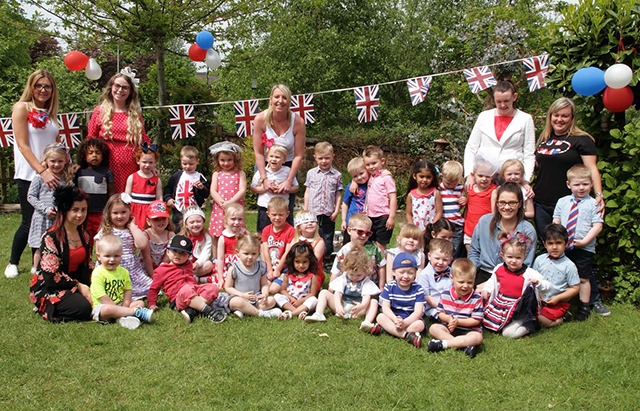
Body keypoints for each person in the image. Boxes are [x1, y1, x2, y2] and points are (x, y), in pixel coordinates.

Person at [533, 97, 609, 317]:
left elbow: (592, 169)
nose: (560, 119)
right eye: (556, 115)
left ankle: (591, 299)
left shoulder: (582, 140)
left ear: (572, 117)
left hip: (569, 207)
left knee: (577, 254)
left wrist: (599, 194)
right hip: (543, 205)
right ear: (550, 116)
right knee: (552, 252)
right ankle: (553, 296)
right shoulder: (544, 139)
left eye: (565, 115)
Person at [7, 69, 60, 279]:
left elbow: (55, 146)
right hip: (31, 174)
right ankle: (13, 261)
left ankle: (36, 262)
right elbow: (22, 144)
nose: (43, 90)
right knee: (29, 221)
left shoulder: (51, 113)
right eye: (38, 85)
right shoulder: (21, 108)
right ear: (31, 86)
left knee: (47, 219)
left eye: (47, 86)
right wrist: (42, 171)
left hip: (51, 173)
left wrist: (66, 164)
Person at [30, 186, 92, 322]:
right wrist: (78, 286)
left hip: (77, 281)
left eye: (84, 210)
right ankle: (45, 307)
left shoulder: (85, 235)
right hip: (52, 286)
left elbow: (88, 264)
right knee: (83, 308)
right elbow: (51, 275)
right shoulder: (50, 237)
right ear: (64, 211)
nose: (80, 215)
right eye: (75, 210)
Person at [463, 79, 535, 191]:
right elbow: (471, 147)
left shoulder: (525, 119)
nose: (502, 105)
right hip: (484, 176)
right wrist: (469, 175)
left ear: (514, 97)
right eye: (498, 101)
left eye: (506, 101)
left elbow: (529, 153)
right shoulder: (484, 116)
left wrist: (525, 180)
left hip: (511, 178)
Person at [553, 165, 603, 321]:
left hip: (584, 247)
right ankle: (559, 303)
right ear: (569, 185)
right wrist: (559, 240)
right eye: (577, 184)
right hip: (564, 246)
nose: (581, 188)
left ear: (591, 185)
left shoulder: (594, 203)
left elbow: (598, 226)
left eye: (585, 184)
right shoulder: (562, 202)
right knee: (561, 274)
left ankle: (584, 307)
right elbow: (556, 221)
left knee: (583, 277)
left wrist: (585, 241)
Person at [87, 72, 150, 193]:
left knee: (129, 200)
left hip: (131, 164)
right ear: (111, 87)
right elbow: (91, 139)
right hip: (107, 163)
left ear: (130, 91)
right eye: (117, 86)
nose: (120, 90)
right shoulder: (99, 111)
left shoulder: (135, 113)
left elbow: (144, 140)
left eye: (125, 87)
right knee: (110, 200)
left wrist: (150, 163)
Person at [252, 84, 306, 220]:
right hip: (266, 165)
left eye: (284, 98)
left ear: (289, 101)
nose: (280, 101)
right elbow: (258, 152)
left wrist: (288, 181)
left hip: (288, 166)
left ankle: (287, 239)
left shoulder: (298, 121)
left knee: (285, 209)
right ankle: (263, 236)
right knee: (265, 209)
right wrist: (264, 179)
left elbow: (299, 155)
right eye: (277, 97)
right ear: (271, 99)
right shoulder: (260, 119)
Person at [481, 233, 550, 339]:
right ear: (502, 255)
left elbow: (547, 286)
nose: (513, 261)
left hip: (520, 307)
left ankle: (530, 324)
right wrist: (486, 290)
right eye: (509, 257)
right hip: (501, 303)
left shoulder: (529, 273)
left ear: (524, 257)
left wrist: (538, 283)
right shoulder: (499, 268)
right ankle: (506, 324)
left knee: (508, 334)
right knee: (484, 322)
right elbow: (491, 282)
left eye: (518, 257)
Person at [468, 182, 537, 287]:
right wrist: (470, 275)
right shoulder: (484, 222)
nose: (507, 207)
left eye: (512, 203)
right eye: (502, 202)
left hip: (514, 278)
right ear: (497, 203)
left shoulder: (527, 231)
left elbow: (525, 264)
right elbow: (474, 252)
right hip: (485, 273)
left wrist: (492, 284)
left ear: (519, 204)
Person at [147, 235, 226, 323]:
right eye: (175, 251)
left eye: (182, 253)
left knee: (213, 288)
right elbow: (154, 289)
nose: (178, 255)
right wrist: (152, 303)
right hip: (178, 298)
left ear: (188, 256)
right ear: (168, 252)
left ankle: (193, 310)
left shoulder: (188, 264)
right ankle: (208, 311)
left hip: (194, 291)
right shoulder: (161, 270)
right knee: (186, 289)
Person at [305, 249, 380, 331]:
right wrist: (338, 306)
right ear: (346, 269)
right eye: (351, 274)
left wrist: (361, 306)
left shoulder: (366, 282)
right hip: (342, 305)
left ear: (365, 272)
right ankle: (319, 313)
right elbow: (338, 293)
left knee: (373, 302)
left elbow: (366, 297)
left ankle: (367, 322)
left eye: (359, 275)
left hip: (356, 309)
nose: (354, 278)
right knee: (324, 292)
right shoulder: (343, 278)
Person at [95, 193, 152, 301]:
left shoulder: (131, 230)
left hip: (131, 269)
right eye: (115, 213)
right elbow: (98, 251)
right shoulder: (106, 230)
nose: (120, 216)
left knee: (150, 287)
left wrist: (132, 226)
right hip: (112, 266)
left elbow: (142, 244)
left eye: (123, 212)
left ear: (129, 212)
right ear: (109, 214)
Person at [90, 234, 154, 329]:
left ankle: (123, 319)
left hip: (120, 304)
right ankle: (134, 313)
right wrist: (121, 310)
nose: (112, 259)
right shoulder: (97, 273)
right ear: (99, 256)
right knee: (108, 309)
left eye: (116, 256)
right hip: (102, 306)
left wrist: (125, 305)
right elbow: (102, 297)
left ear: (121, 255)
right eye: (107, 256)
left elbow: (127, 290)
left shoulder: (124, 272)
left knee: (140, 303)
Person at [27, 143, 74, 272]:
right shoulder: (39, 178)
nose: (56, 164)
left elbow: (69, 197)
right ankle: (36, 270)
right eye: (53, 161)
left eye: (60, 161)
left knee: (58, 244)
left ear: (66, 161)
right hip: (42, 218)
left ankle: (56, 268)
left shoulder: (67, 179)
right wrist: (45, 210)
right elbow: (30, 196)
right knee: (39, 246)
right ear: (46, 160)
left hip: (58, 219)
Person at [427, 258, 484, 358]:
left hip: (469, 330)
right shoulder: (445, 294)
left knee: (478, 337)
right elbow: (440, 313)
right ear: (452, 278)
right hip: (449, 328)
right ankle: (463, 346)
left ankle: (444, 344)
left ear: (474, 278)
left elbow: (476, 320)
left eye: (470, 282)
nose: (465, 286)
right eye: (461, 282)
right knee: (433, 328)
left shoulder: (477, 298)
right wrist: (449, 319)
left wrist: (458, 322)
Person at [369, 253, 425, 348]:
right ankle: (407, 335)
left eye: (410, 273)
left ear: (415, 273)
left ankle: (388, 330)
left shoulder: (418, 289)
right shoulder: (389, 286)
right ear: (393, 272)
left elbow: (418, 312)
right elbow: (385, 308)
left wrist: (404, 323)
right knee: (380, 317)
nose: (406, 276)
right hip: (393, 317)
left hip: (410, 319)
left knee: (420, 325)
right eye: (401, 272)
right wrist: (395, 320)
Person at [224, 233, 282, 319]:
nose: (250, 257)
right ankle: (261, 313)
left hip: (255, 298)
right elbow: (228, 287)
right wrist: (242, 295)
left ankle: (244, 311)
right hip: (239, 297)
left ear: (258, 252)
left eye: (254, 254)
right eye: (246, 254)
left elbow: (264, 284)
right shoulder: (234, 268)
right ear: (237, 252)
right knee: (235, 302)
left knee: (272, 300)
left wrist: (265, 294)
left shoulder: (260, 267)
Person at [533, 224, 580, 328]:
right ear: (545, 244)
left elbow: (575, 288)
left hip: (558, 302)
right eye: (550, 243)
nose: (554, 247)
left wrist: (558, 298)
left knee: (542, 320)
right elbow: (533, 279)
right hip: (539, 300)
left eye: (558, 243)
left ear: (566, 244)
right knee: (527, 314)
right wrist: (538, 293)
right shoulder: (539, 260)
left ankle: (564, 318)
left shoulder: (569, 265)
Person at [304, 142, 343, 263]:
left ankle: (326, 258)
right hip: (313, 211)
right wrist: (306, 209)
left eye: (327, 158)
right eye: (320, 158)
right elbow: (308, 191)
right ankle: (312, 257)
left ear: (333, 157)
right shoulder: (311, 173)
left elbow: (338, 193)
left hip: (328, 212)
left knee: (327, 236)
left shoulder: (336, 175)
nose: (324, 161)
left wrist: (336, 210)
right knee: (313, 233)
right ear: (315, 157)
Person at [251, 144, 299, 233]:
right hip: (265, 206)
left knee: (283, 231)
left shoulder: (287, 171)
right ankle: (263, 246)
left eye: (277, 157)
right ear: (266, 158)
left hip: (282, 208)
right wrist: (265, 188)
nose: (274, 159)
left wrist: (284, 189)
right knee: (263, 231)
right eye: (271, 156)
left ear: (284, 160)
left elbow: (296, 187)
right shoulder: (261, 173)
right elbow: (253, 188)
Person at [330, 213, 386, 290]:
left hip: (370, 286)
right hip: (349, 286)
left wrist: (381, 286)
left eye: (368, 233)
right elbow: (336, 270)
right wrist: (331, 288)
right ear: (349, 230)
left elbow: (381, 266)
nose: (363, 235)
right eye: (360, 232)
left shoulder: (374, 248)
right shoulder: (345, 250)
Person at [74, 138, 115, 243]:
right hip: (84, 213)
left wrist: (109, 208)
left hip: (100, 213)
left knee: (102, 240)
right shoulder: (79, 172)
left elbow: (111, 192)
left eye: (98, 153)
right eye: (90, 153)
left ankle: (101, 258)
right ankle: (86, 259)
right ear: (84, 155)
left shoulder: (107, 172)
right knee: (85, 239)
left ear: (103, 156)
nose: (94, 155)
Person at [163, 145, 211, 233]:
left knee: (193, 231)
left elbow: (206, 194)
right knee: (176, 231)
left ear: (197, 161)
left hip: (194, 210)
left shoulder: (200, 177)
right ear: (180, 162)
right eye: (184, 164)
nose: (187, 166)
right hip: (178, 209)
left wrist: (202, 188)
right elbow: (168, 188)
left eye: (191, 164)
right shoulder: (177, 176)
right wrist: (168, 199)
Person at [207, 142, 246, 244]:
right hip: (220, 208)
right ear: (217, 160)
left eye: (229, 160)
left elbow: (242, 190)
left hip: (235, 206)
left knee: (237, 232)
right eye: (222, 160)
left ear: (235, 160)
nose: (226, 163)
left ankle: (236, 254)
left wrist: (231, 202)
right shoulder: (216, 174)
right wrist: (221, 202)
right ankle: (216, 257)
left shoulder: (240, 173)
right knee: (218, 234)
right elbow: (213, 190)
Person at [276, 210, 325, 288]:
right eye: (306, 222)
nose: (310, 223)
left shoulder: (319, 242)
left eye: (312, 221)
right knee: (276, 288)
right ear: (299, 228)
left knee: (303, 288)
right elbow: (288, 256)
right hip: (295, 271)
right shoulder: (295, 240)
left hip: (312, 273)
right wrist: (278, 270)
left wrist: (301, 277)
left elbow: (313, 262)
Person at [362, 145, 397, 252]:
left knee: (380, 245)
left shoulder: (386, 177)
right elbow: (356, 172)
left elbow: (393, 198)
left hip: (383, 217)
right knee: (367, 242)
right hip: (370, 216)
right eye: (368, 164)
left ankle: (382, 266)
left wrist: (391, 217)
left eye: (374, 163)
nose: (371, 167)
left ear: (382, 161)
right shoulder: (371, 176)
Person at [274, 242, 320, 320]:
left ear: (310, 261)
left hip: (304, 301)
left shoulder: (312, 276)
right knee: (277, 296)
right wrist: (291, 299)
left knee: (314, 300)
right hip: (290, 301)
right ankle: (299, 312)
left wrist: (300, 301)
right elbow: (283, 290)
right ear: (292, 261)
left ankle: (291, 314)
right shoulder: (287, 275)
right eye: (297, 262)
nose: (301, 265)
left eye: (305, 262)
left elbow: (312, 293)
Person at [463, 156, 497, 253]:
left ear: (492, 177)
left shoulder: (493, 191)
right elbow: (467, 208)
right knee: (471, 255)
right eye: (481, 175)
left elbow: (494, 212)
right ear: (473, 175)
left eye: (488, 176)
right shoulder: (470, 189)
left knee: (484, 254)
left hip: (485, 229)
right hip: (469, 228)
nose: (484, 179)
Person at [260, 197, 294, 293]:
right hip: (270, 265)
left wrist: (278, 270)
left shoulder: (290, 230)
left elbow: (287, 252)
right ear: (268, 214)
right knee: (265, 286)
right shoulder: (266, 230)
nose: (277, 218)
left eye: (281, 215)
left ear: (287, 214)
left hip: (284, 268)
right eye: (274, 215)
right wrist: (270, 270)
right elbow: (265, 251)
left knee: (273, 290)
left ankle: (285, 283)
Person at [125, 143, 162, 229]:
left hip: (150, 211)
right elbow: (126, 197)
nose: (147, 165)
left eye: (150, 162)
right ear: (138, 161)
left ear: (155, 162)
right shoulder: (132, 177)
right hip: (135, 211)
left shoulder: (156, 180)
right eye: (144, 162)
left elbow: (159, 198)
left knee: (148, 233)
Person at [417, 239, 454, 320]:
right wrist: (441, 306)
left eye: (445, 260)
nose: (440, 262)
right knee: (440, 314)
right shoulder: (424, 274)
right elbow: (425, 296)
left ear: (450, 260)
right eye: (437, 258)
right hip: (433, 305)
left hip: (451, 304)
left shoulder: (453, 272)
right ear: (429, 256)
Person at [438, 160, 466, 257]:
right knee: (441, 248)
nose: (451, 185)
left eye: (455, 182)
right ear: (442, 176)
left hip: (457, 224)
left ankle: (451, 266)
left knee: (454, 250)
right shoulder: (438, 188)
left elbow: (458, 205)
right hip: (444, 224)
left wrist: (463, 201)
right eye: (448, 183)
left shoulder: (460, 188)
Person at [405, 159, 442, 232]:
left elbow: (439, 212)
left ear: (433, 177)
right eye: (421, 176)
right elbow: (408, 214)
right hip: (416, 231)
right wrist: (412, 227)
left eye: (428, 177)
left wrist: (431, 227)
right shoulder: (411, 195)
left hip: (431, 231)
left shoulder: (435, 193)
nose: (425, 180)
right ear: (415, 176)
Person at [141, 200, 175, 276]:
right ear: (148, 221)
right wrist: (153, 275)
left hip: (164, 267)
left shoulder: (171, 235)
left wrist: (160, 272)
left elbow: (168, 257)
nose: (161, 221)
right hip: (146, 267)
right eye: (156, 219)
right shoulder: (146, 235)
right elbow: (146, 257)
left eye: (163, 218)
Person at [179, 207, 214, 280]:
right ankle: (190, 276)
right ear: (186, 225)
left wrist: (198, 263)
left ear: (203, 222)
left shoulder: (207, 237)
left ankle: (191, 277)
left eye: (198, 221)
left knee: (209, 265)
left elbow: (206, 253)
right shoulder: (182, 237)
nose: (195, 224)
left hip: (198, 265)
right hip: (184, 263)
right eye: (192, 222)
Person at [341, 157, 369, 245]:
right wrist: (343, 220)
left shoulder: (372, 183)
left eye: (361, 173)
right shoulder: (351, 187)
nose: (359, 177)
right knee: (348, 245)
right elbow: (345, 203)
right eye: (355, 176)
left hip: (366, 221)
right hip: (351, 221)